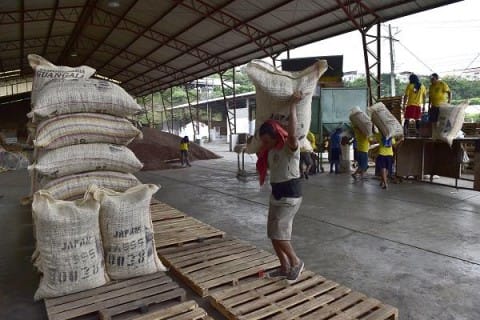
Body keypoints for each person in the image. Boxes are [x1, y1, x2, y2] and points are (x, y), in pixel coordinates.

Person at [256, 91, 304, 283]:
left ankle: (295, 262)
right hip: (276, 195)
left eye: (267, 140)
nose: (265, 144)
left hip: (290, 196)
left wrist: (292, 105)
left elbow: (292, 133)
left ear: (276, 136)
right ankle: (284, 267)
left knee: (279, 232)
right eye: (263, 141)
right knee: (272, 234)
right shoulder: (269, 151)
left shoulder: (289, 147)